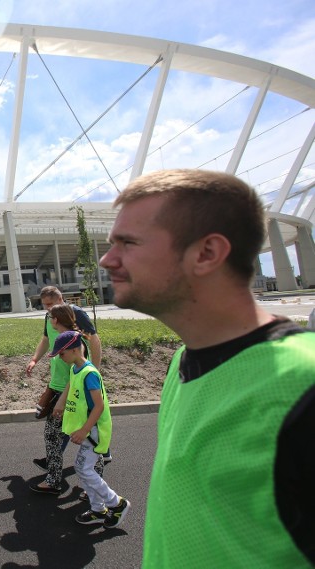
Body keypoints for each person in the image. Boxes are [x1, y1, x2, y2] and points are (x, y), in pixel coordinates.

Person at [99, 169, 314, 566]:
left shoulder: (302, 385)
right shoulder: (182, 362)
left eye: (127, 243)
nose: (107, 259)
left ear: (207, 254)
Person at [25, 286, 104, 494]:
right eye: (46, 308)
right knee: (58, 434)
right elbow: (46, 341)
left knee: (86, 440)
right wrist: (35, 360)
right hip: (61, 387)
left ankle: (94, 489)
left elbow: (78, 368)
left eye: (51, 309)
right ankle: (55, 478)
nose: (48, 313)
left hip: (73, 391)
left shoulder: (74, 339)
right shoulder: (60, 330)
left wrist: (93, 373)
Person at [50, 330, 130, 528]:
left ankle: (116, 503)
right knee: (82, 468)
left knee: (85, 468)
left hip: (93, 431)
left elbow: (99, 405)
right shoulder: (75, 368)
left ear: (76, 350)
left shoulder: (90, 373)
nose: (61, 357)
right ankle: (98, 509)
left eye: (62, 353)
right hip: (87, 430)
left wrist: (85, 430)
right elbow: (70, 384)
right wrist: (60, 403)